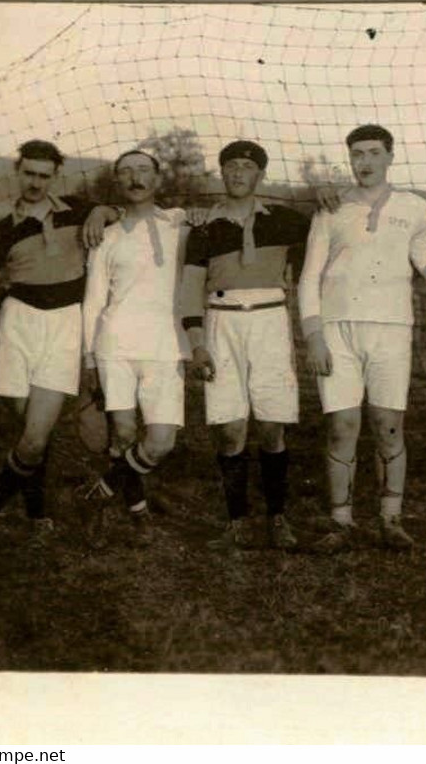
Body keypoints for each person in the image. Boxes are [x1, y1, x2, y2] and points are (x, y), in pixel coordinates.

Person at [298, 124, 426, 553]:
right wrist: (314, 335)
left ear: (390, 156)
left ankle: (391, 519)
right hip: (337, 329)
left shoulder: (414, 208)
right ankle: (341, 523)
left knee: (389, 426)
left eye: (373, 153)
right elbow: (309, 277)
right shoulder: (331, 207)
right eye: (357, 154)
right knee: (342, 426)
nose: (365, 162)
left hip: (391, 328)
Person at [0, 140, 115, 540]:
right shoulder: (2, 232)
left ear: (55, 177)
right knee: (35, 431)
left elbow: (116, 213)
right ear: (18, 172)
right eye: (28, 173)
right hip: (19, 327)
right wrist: (11, 289)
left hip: (66, 324)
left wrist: (102, 211)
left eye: (43, 175)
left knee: (34, 436)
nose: (35, 182)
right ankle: (37, 514)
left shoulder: (78, 209)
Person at [179, 140, 311, 551]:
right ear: (222, 173)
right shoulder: (202, 227)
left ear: (260, 175)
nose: (237, 173)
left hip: (270, 320)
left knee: (272, 426)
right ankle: (236, 521)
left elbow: (324, 245)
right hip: (222, 323)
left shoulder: (288, 220)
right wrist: (197, 345)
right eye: (230, 166)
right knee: (231, 430)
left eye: (246, 167)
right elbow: (189, 289)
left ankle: (278, 518)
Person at [79, 150, 191, 547]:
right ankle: (137, 514)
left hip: (166, 345)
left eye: (143, 170)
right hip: (115, 346)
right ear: (117, 183)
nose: (135, 178)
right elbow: (93, 301)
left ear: (158, 179)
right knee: (123, 435)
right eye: (125, 172)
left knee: (161, 441)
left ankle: (100, 492)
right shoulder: (105, 236)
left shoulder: (180, 223)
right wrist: (89, 357)